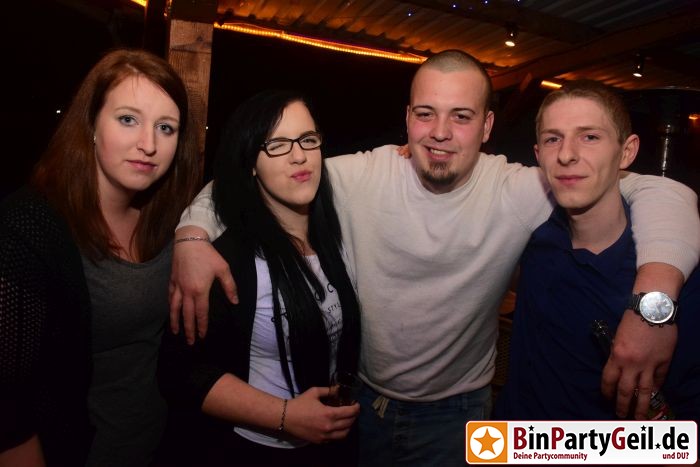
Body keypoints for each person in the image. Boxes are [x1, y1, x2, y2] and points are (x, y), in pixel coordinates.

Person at [169, 51, 699, 466]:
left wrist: (653, 302)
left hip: (461, 417)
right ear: (408, 119)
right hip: (360, 406)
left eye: (461, 117)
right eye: (426, 114)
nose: (440, 132)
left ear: (487, 127)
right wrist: (191, 238)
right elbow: (257, 177)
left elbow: (661, 190)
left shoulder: (521, 191)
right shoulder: (364, 176)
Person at [0, 48, 201, 466]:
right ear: (91, 123)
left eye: (165, 128)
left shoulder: (166, 219)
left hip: (158, 446)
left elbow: (231, 194)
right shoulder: (28, 228)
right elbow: (8, 408)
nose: (148, 144)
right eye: (128, 119)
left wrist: (194, 239)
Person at [158, 90, 361, 466]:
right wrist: (286, 416)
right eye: (277, 145)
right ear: (251, 162)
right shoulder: (228, 258)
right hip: (252, 450)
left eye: (307, 139)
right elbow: (181, 371)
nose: (299, 155)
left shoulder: (337, 239)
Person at [494, 80, 700, 423]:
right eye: (553, 139)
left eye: (589, 137)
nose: (566, 154)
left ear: (627, 152)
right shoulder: (532, 237)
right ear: (538, 155)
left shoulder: (675, 279)